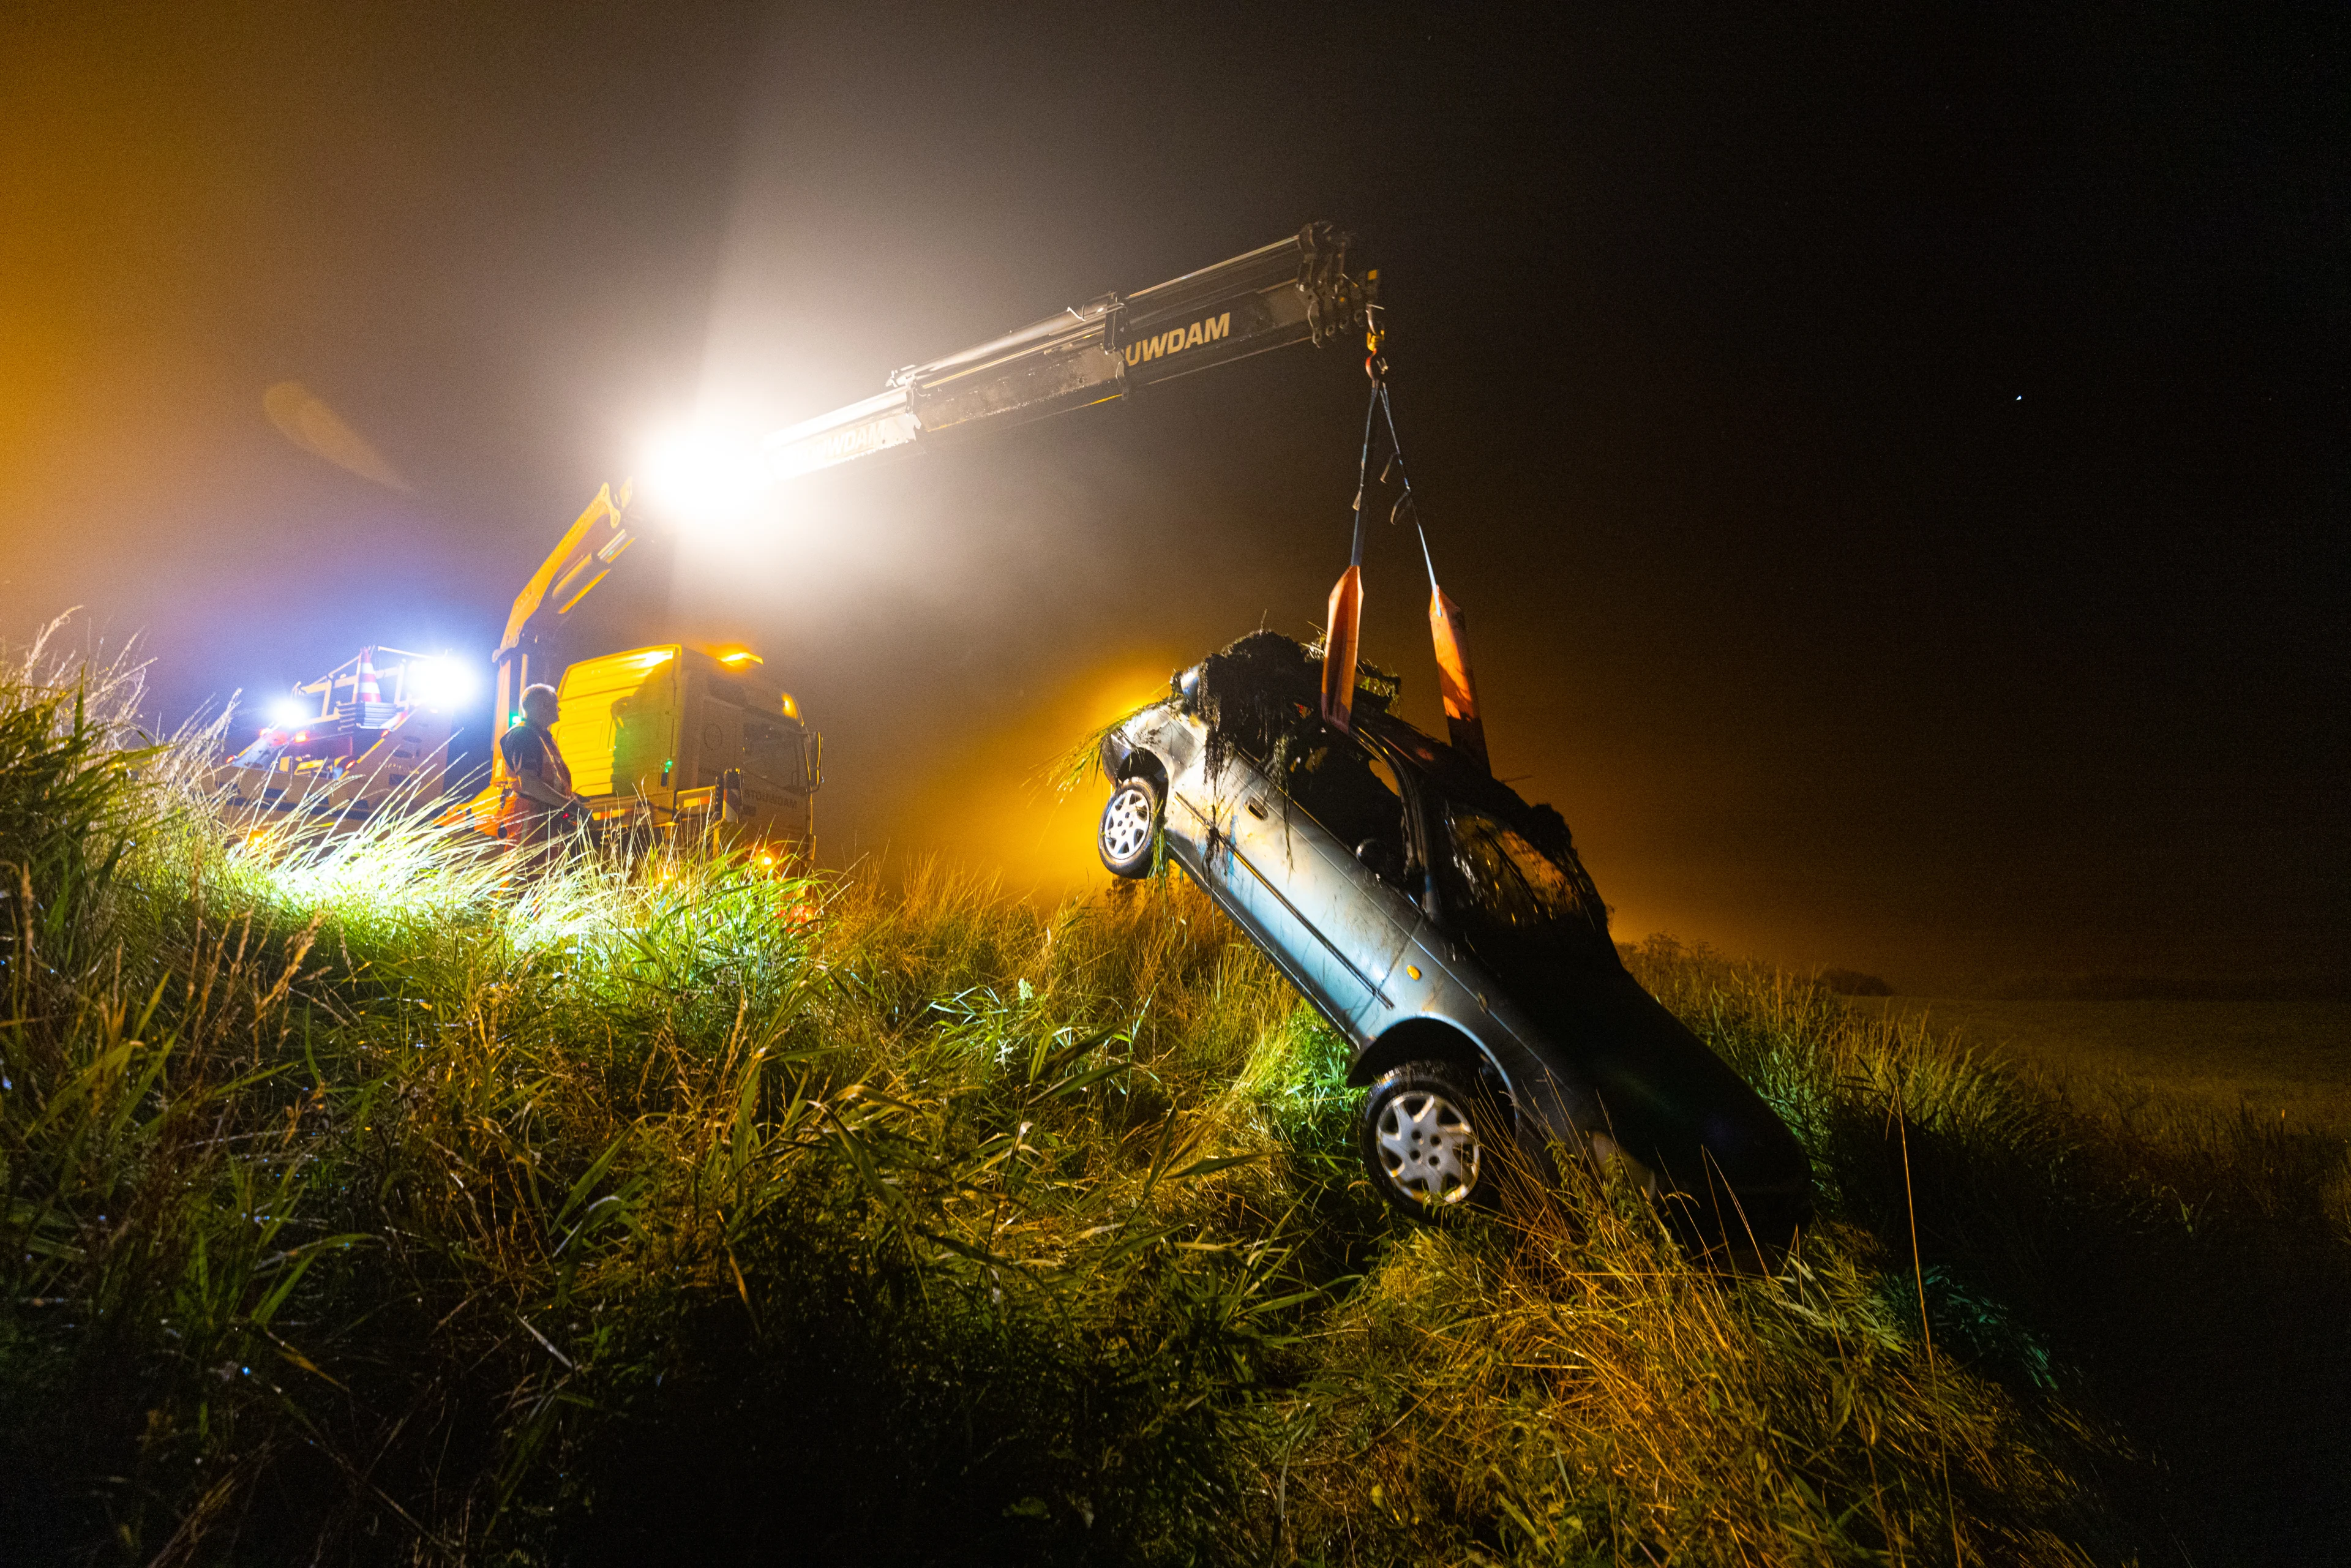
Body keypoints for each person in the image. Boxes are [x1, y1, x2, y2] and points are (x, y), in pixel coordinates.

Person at [498, 683, 585, 861]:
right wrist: (570, 805)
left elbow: (549, 779)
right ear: (541, 706)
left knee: (543, 876)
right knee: (524, 875)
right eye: (555, 703)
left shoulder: (541, 737)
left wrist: (573, 799)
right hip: (530, 816)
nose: (559, 708)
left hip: (543, 816)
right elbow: (529, 783)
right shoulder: (524, 735)